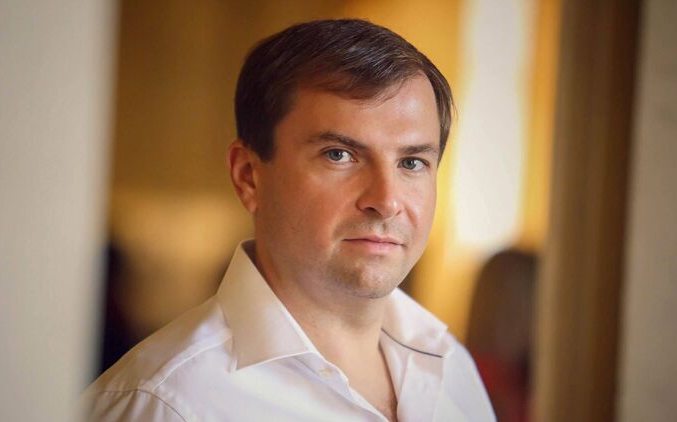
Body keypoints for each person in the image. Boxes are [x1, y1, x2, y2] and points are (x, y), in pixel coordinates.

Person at [81, 19, 495, 421]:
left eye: (411, 162)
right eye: (339, 155)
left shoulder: (451, 366)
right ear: (248, 176)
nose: (386, 202)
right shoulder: (164, 404)